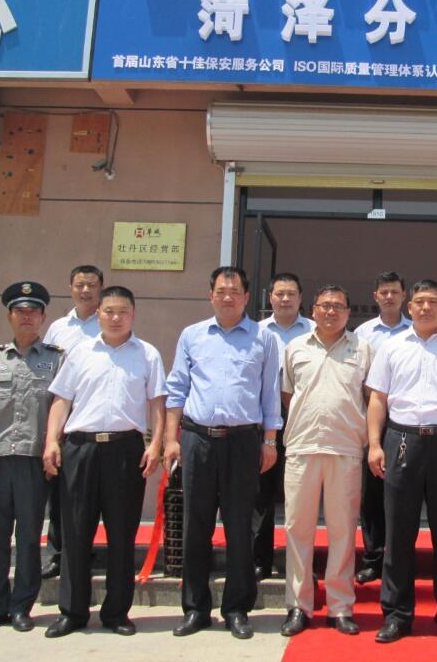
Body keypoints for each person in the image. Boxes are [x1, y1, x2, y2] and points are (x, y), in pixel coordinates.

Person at [42, 286, 166, 638]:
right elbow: (61, 401)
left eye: (123, 311)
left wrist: (155, 445)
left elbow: (157, 404)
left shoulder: (147, 354)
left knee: (122, 534)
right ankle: (72, 612)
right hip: (80, 449)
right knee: (75, 533)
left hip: (125, 451)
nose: (115, 318)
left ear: (133, 314)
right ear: (99, 314)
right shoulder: (80, 352)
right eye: (109, 311)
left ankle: (116, 612)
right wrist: (51, 441)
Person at [164, 266, 281, 641]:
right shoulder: (192, 335)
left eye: (235, 291)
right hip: (197, 439)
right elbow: (176, 389)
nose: (227, 297)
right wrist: (171, 439)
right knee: (195, 526)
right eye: (220, 291)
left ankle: (236, 608)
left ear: (247, 297)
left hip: (243, 442)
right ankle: (195, 609)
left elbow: (270, 394)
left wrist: (269, 441)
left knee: (240, 526)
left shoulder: (264, 338)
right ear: (210, 295)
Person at [366, 280, 437, 647]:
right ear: (410, 306)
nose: (426, 307)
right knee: (398, 533)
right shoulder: (392, 347)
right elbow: (377, 399)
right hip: (401, 441)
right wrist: (374, 444)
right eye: (420, 301)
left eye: (433, 301)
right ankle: (396, 615)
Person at [0, 281, 62, 633]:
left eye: (33, 311)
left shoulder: (56, 359)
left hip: (33, 461)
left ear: (43, 318)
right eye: (20, 311)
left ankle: (22, 606)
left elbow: (61, 407)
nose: (27, 317)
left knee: (29, 539)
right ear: (9, 316)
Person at [279, 285, 374, 638]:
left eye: (338, 306)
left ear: (349, 312)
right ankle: (298, 606)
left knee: (343, 531)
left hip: (346, 448)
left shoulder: (363, 349)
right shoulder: (295, 348)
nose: (331, 311)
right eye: (325, 306)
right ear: (313, 310)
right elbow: (288, 395)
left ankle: (340, 607)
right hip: (302, 446)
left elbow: (371, 398)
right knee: (297, 529)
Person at [40, 264, 103, 580]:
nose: (85, 290)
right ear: (70, 288)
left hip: (92, 414)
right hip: (62, 413)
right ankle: (57, 553)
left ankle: (84, 551)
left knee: (91, 492)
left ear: (101, 288)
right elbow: (48, 372)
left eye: (91, 285)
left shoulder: (107, 323)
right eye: (80, 285)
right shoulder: (58, 328)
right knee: (61, 490)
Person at [254, 272, 314, 580]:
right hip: (265, 416)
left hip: (304, 418)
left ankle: (301, 564)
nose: (285, 299)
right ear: (270, 297)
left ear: (301, 298)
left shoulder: (316, 331)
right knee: (261, 490)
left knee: (302, 492)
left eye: (291, 293)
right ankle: (260, 559)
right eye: (280, 293)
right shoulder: (256, 332)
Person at [353, 271, 411, 584]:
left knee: (406, 492)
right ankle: (373, 557)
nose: (389, 297)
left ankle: (401, 557)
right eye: (384, 292)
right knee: (373, 494)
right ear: (375, 296)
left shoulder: (415, 330)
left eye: (394, 292)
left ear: (404, 296)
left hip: (407, 421)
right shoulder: (362, 334)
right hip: (372, 420)